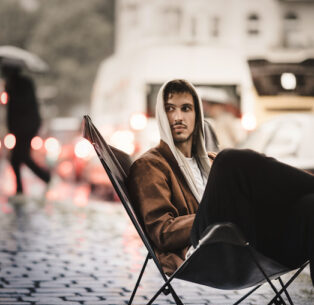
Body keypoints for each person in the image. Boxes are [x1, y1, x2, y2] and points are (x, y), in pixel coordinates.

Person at [127, 79, 314, 285]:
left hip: (249, 241)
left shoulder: (210, 161)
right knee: (231, 159)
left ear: (197, 115)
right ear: (161, 116)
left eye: (186, 108)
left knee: (309, 205)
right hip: (204, 245)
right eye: (170, 109)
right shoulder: (150, 165)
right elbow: (162, 233)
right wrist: (219, 213)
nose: (178, 117)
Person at [2, 66, 51, 199]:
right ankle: (20, 188)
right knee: (16, 158)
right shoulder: (12, 84)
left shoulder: (23, 84)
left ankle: (45, 177)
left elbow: (23, 105)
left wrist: (10, 92)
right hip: (21, 127)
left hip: (26, 127)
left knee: (21, 156)